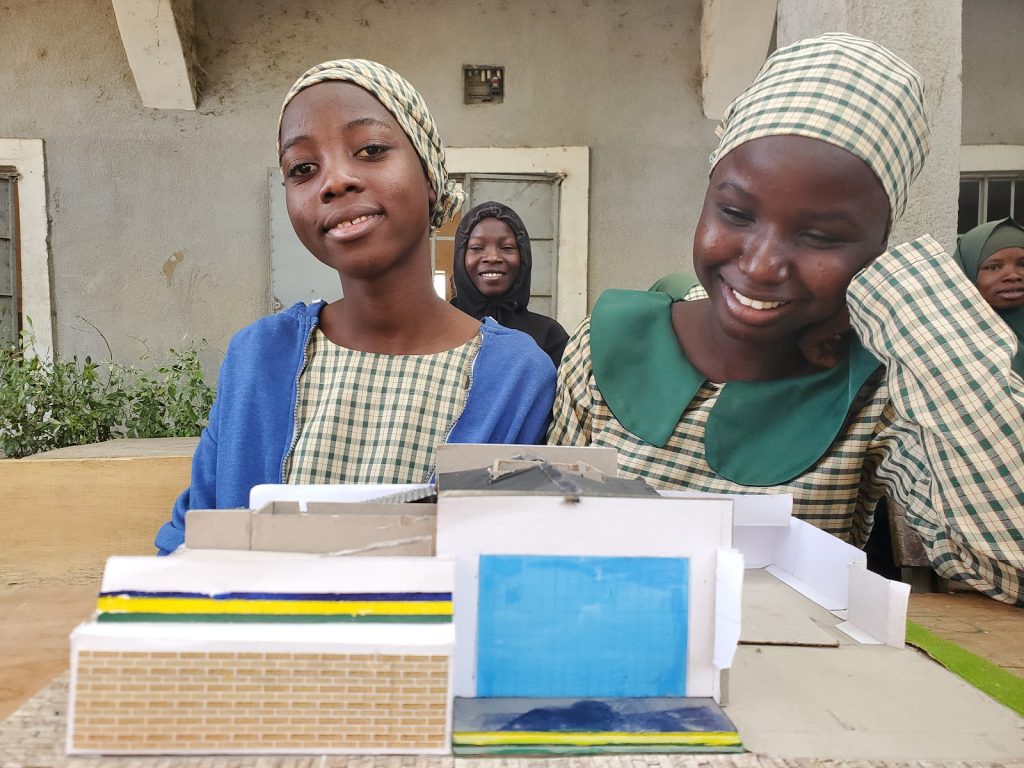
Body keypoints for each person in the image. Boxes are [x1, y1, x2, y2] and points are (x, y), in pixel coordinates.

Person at [549, 34, 1024, 605]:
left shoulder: (877, 395)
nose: (761, 263)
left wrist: (907, 303)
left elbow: (1008, 564)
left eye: (820, 236)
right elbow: (550, 532)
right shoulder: (609, 343)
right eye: (735, 213)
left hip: (795, 682)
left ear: (876, 250)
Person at [155, 59, 555, 555]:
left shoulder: (516, 375)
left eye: (370, 150)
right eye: (303, 168)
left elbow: (508, 554)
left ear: (430, 177)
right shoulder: (259, 357)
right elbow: (191, 537)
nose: (335, 180)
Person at [451, 201, 569, 366]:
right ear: (460, 257)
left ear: (523, 257)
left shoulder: (549, 336)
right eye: (477, 248)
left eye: (506, 248)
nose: (492, 257)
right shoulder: (440, 329)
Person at [953, 217, 1024, 376]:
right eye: (994, 267)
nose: (1013, 276)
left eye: (1023, 264)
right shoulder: (951, 341)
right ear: (967, 273)